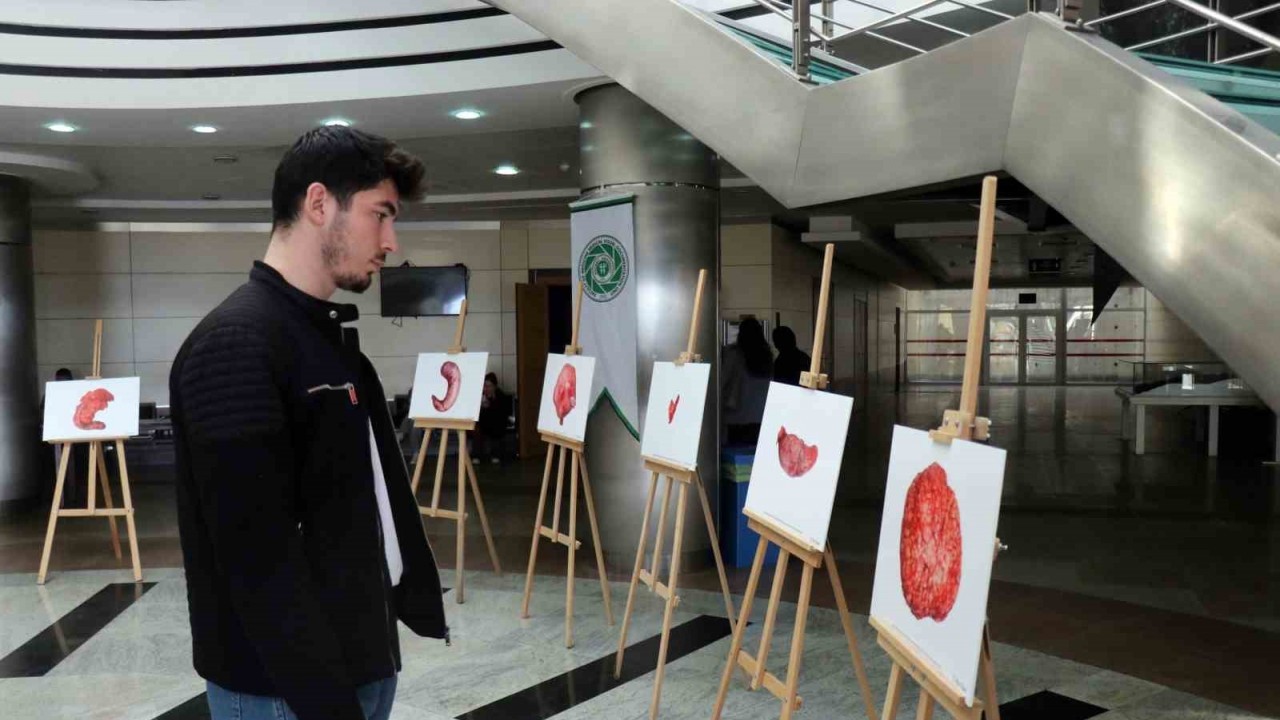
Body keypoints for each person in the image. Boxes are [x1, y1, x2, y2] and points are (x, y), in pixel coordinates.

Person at [168, 127, 447, 720]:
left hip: (357, 668)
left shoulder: (326, 340)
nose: (391, 242)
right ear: (319, 203)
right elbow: (255, 560)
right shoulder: (236, 345)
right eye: (380, 215)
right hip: (285, 694)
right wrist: (329, 703)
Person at [721, 317, 773, 445]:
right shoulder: (767, 355)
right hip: (761, 414)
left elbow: (722, 381)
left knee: (736, 452)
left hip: (737, 416)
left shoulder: (734, 354)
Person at [475, 372, 511, 464]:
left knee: (496, 427)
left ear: (494, 387)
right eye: (485, 386)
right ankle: (477, 455)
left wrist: (490, 407)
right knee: (477, 429)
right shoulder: (481, 396)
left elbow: (502, 415)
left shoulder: (501, 396)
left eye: (489, 386)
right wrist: (482, 407)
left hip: (497, 424)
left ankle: (496, 454)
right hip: (483, 424)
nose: (486, 389)